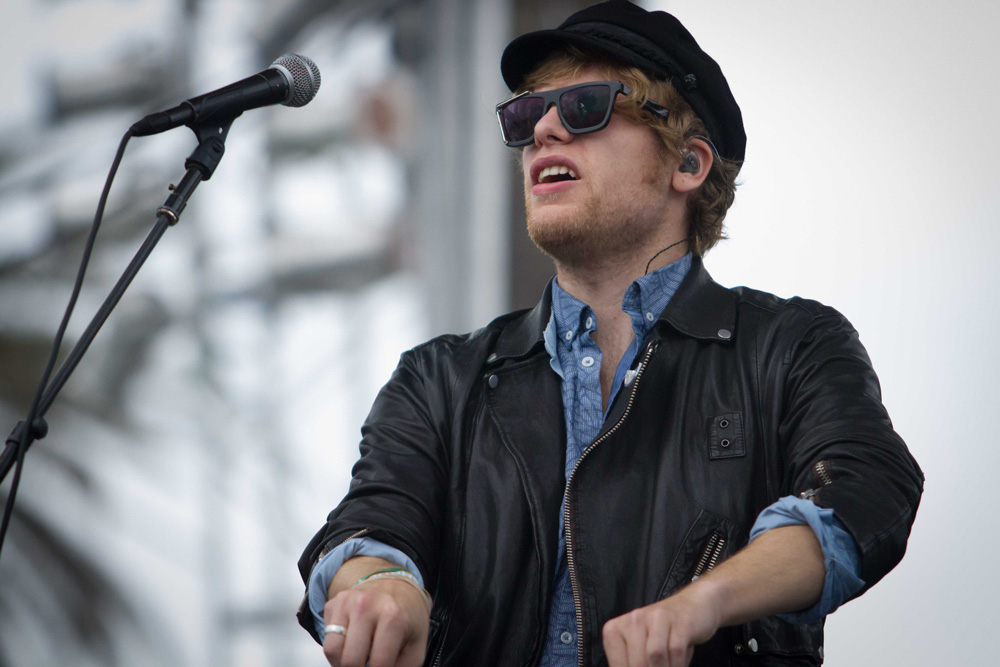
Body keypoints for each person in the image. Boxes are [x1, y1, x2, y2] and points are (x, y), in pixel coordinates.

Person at [297, 2, 924, 665]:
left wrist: (706, 600)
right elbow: (370, 522)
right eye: (524, 116)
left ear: (688, 163)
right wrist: (379, 583)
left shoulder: (792, 344)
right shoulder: (436, 378)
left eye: (584, 107)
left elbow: (864, 492)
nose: (541, 130)